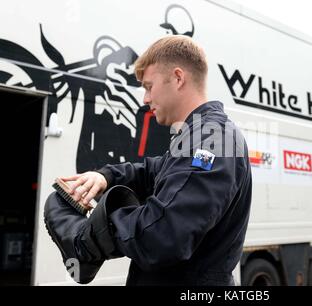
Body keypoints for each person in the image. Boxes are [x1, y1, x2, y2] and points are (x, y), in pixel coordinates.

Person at [44, 35, 252, 286]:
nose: (145, 98)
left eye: (149, 86)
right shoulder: (197, 135)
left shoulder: (212, 139)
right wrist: (106, 176)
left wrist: (90, 237)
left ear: (178, 78)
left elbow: (164, 235)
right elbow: (154, 170)